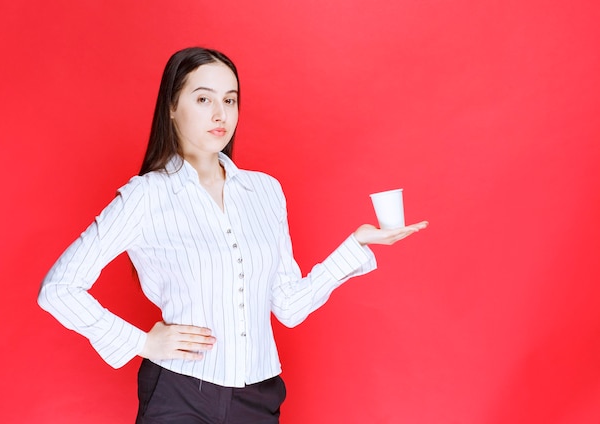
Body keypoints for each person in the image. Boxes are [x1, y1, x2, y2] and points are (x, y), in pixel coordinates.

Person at [38, 47, 428, 424]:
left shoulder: (265, 192)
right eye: (204, 99)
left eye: (230, 99)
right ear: (172, 108)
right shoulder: (146, 195)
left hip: (258, 397)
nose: (220, 113)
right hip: (179, 394)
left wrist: (356, 245)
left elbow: (289, 306)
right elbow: (59, 288)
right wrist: (141, 343)